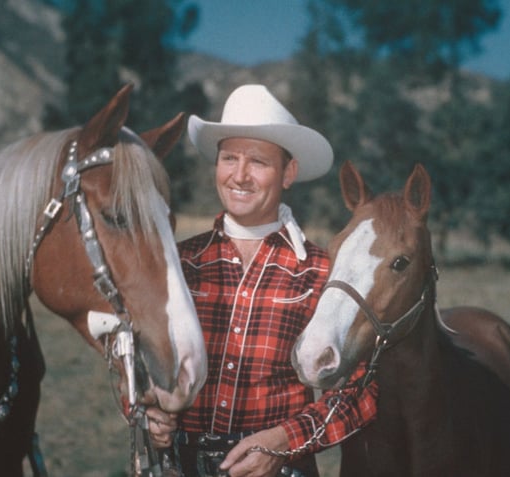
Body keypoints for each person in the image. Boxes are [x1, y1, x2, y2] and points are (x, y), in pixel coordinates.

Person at [147, 84, 378, 477]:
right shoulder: (179, 263)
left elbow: (364, 391)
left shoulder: (322, 272)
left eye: (257, 161)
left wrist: (286, 439)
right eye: (229, 158)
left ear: (288, 172)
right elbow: (136, 364)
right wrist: (146, 408)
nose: (239, 175)